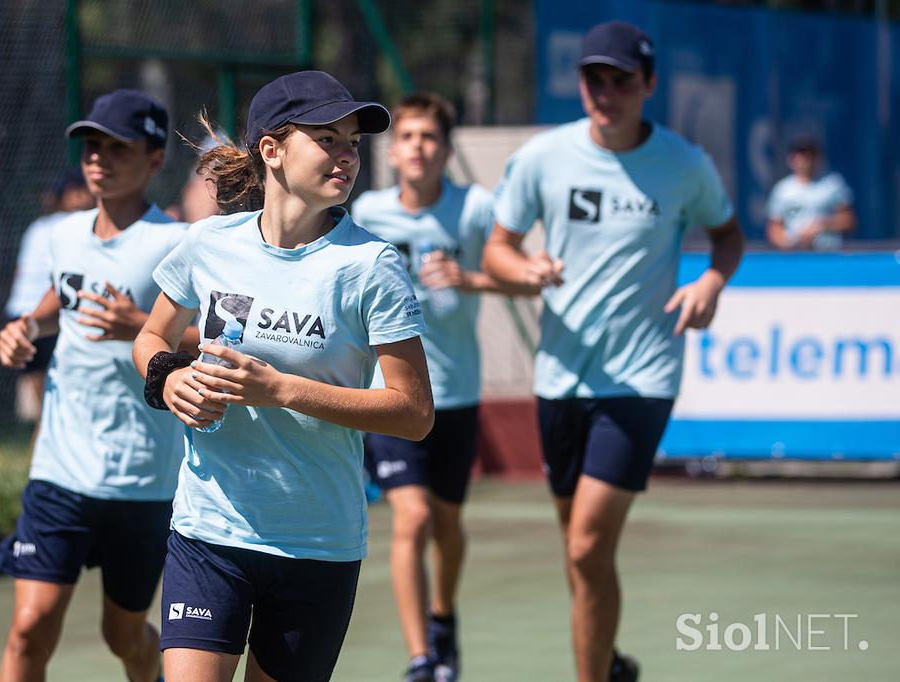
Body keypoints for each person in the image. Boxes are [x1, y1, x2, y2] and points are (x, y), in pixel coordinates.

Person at [132, 70, 434, 682]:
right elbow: (152, 336)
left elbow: (413, 411)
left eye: (352, 142)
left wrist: (283, 391)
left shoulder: (369, 266)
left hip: (317, 543)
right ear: (272, 149)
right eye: (327, 138)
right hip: (208, 528)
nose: (346, 155)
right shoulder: (208, 244)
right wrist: (166, 379)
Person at [482, 21, 744, 682]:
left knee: (590, 542)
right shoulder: (543, 158)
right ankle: (610, 661)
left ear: (648, 85)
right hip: (561, 376)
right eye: (594, 77)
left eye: (621, 79)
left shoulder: (685, 164)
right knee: (579, 554)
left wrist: (711, 281)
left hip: (642, 376)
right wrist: (525, 271)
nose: (605, 91)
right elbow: (498, 250)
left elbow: (728, 235)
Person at [0, 89, 195, 682]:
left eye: (118, 148)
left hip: (142, 477)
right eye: (91, 147)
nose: (98, 160)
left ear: (155, 160)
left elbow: (213, 336)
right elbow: (61, 297)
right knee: (30, 626)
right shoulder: (60, 234)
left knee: (123, 634)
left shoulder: (176, 243)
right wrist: (26, 327)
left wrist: (139, 327)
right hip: (60, 469)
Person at [351, 92, 530, 682]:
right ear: (393, 149)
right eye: (407, 137)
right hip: (390, 397)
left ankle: (443, 615)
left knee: (448, 526)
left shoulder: (476, 209)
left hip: (455, 396)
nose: (418, 147)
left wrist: (471, 278)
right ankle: (421, 658)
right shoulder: (367, 214)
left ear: (447, 149)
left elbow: (523, 280)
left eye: (429, 137)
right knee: (413, 519)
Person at [4, 167, 95, 417]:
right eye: (85, 190)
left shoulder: (37, 226)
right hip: (47, 319)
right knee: (55, 409)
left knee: (45, 408)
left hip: (18, 313)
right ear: (73, 194)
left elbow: (20, 271)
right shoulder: (75, 227)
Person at [765, 134, 856, 250]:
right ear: (790, 159)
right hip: (795, 257)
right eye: (799, 154)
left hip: (828, 255)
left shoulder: (833, 184)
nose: (804, 159)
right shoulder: (782, 190)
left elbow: (849, 220)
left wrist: (822, 225)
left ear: (818, 157)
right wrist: (793, 242)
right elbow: (774, 230)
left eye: (809, 154)